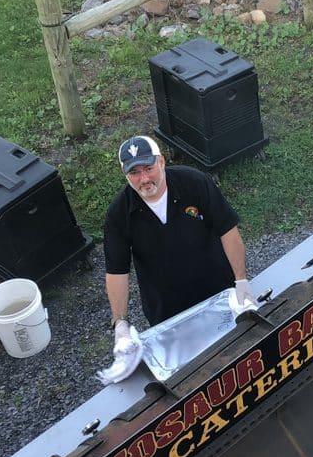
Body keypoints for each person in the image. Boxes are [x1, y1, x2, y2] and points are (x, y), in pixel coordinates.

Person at [104, 135, 255, 336]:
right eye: (135, 173)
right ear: (126, 175)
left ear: (162, 162)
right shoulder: (118, 213)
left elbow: (227, 229)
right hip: (167, 312)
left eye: (149, 169)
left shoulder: (194, 182)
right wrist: (120, 322)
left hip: (217, 290)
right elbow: (116, 271)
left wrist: (241, 280)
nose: (144, 179)